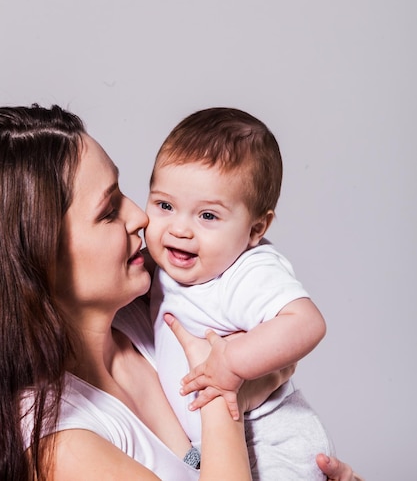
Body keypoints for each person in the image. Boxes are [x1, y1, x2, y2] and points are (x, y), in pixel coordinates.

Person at [0, 103, 363, 481]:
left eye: (125, 193)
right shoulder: (61, 445)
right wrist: (226, 395)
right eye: (109, 211)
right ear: (40, 254)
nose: (140, 218)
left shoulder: (155, 313)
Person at [145, 107, 334, 480]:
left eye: (208, 216)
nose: (179, 229)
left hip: (270, 442)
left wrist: (231, 364)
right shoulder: (163, 267)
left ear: (255, 229)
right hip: (212, 450)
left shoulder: (246, 271)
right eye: (165, 206)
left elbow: (307, 323)